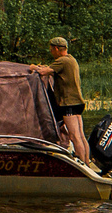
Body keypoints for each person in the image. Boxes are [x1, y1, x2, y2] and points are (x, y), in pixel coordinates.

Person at [34, 36, 92, 166]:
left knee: (74, 136)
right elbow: (51, 69)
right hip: (77, 103)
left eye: (51, 49)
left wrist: (33, 67)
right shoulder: (71, 60)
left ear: (55, 48)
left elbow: (44, 72)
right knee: (81, 136)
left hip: (68, 104)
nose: (51, 52)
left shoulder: (62, 61)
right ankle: (87, 161)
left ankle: (84, 167)